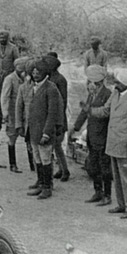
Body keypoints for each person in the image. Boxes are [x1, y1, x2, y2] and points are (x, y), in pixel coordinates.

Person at [91, 68, 127, 218]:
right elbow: (105, 111)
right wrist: (90, 110)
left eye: (118, 82)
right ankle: (121, 204)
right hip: (113, 142)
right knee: (117, 176)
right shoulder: (115, 94)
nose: (115, 84)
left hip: (125, 144)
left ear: (126, 83)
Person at [18, 57, 63, 200]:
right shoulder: (34, 86)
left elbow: (52, 113)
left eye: (39, 72)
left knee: (46, 159)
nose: (35, 74)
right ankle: (41, 183)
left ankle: (47, 187)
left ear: (45, 73)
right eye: (34, 72)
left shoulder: (51, 88)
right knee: (37, 158)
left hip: (44, 132)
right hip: (33, 131)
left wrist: (46, 133)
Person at [73, 65, 114, 205]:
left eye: (90, 81)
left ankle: (107, 195)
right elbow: (84, 112)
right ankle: (98, 192)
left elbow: (105, 114)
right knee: (93, 166)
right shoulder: (92, 94)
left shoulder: (108, 95)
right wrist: (76, 127)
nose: (88, 83)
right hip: (92, 135)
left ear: (98, 82)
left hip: (103, 136)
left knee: (105, 168)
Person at [0, 56, 31, 173]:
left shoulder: (27, 79)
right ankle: (12, 164)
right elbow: (5, 97)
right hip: (13, 113)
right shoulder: (9, 79)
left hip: (25, 113)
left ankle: (32, 164)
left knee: (28, 137)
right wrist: (5, 113)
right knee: (12, 137)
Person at [45, 53, 70, 181]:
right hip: (54, 117)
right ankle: (62, 169)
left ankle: (65, 170)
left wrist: (58, 119)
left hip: (58, 118)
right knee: (55, 146)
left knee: (57, 146)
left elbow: (63, 101)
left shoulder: (59, 80)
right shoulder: (51, 79)